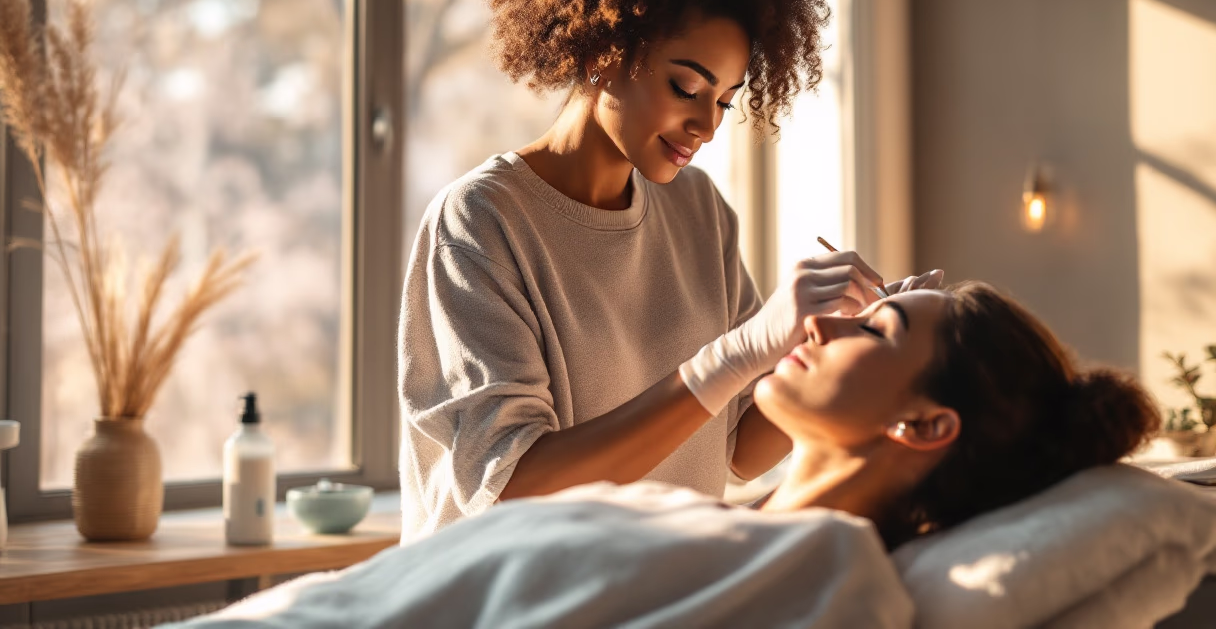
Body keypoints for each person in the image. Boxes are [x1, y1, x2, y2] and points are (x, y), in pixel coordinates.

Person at [398, 0, 944, 535]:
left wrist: (846, 345)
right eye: (687, 88)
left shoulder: (698, 210)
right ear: (604, 47)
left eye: (723, 101)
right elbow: (516, 486)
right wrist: (741, 350)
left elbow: (739, 446)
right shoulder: (482, 222)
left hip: (644, 592)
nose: (708, 125)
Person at [180, 283, 1161, 628]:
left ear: (921, 424)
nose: (827, 320)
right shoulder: (712, 520)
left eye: (877, 323)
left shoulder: (831, 579)